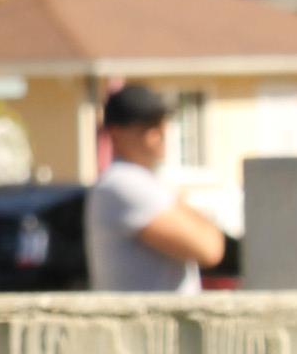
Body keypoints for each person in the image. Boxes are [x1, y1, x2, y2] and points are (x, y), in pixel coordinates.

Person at [83, 82, 226, 292]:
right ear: (116, 133)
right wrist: (181, 204)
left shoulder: (145, 181)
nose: (162, 133)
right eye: (148, 127)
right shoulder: (122, 183)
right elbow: (208, 249)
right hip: (145, 313)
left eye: (162, 124)